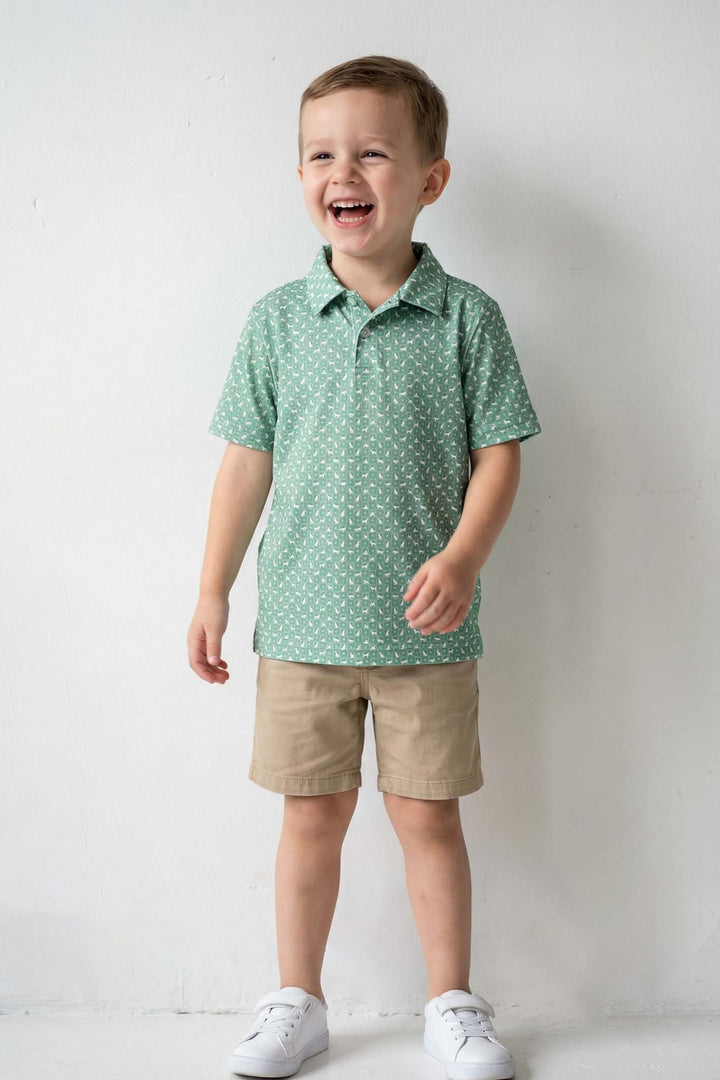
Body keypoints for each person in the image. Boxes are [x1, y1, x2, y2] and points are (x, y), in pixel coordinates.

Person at [188, 54, 541, 1080]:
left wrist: (464, 556)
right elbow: (244, 462)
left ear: (430, 178)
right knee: (311, 816)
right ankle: (297, 998)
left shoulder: (467, 316)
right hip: (301, 626)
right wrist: (210, 586)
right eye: (320, 154)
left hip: (428, 632)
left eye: (373, 152)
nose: (343, 172)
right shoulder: (278, 321)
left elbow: (501, 451)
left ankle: (452, 1003)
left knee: (429, 814)